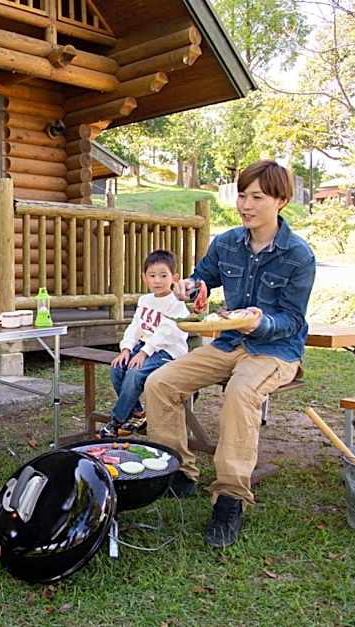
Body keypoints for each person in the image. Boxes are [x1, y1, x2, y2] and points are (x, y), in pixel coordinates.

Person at [143, 160, 315, 548]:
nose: (246, 204)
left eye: (257, 197)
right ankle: (179, 472)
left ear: (281, 201)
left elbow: (291, 319)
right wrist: (189, 287)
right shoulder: (226, 242)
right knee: (160, 382)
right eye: (242, 195)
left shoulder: (299, 256)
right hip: (226, 344)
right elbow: (202, 276)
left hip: (274, 350)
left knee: (240, 393)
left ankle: (230, 497)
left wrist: (259, 322)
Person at [100, 250, 192, 438]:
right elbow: (135, 326)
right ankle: (137, 413)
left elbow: (165, 332)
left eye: (163, 275)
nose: (157, 281)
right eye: (152, 276)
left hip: (167, 352)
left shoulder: (176, 303)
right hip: (144, 347)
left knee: (135, 372)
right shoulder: (145, 300)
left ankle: (117, 420)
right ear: (145, 278)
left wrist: (144, 353)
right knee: (117, 368)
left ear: (174, 277)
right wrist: (126, 349)